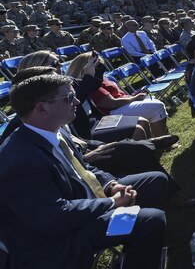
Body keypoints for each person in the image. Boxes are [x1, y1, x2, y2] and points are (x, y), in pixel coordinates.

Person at [0, 73, 167, 269]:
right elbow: (54, 217)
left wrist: (111, 185)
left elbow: (83, 168)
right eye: (69, 97)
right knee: (151, 220)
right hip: (61, 237)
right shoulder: (18, 160)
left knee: (156, 180)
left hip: (84, 204)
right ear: (42, 108)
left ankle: (137, 252)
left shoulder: (55, 129)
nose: (77, 101)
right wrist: (111, 203)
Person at [67, 53, 170, 138]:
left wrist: (132, 96)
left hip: (120, 104)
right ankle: (161, 138)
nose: (101, 69)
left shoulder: (96, 79)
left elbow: (116, 96)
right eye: (98, 66)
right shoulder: (88, 83)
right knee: (157, 106)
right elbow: (110, 103)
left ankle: (156, 139)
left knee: (152, 105)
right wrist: (134, 98)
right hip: (111, 111)